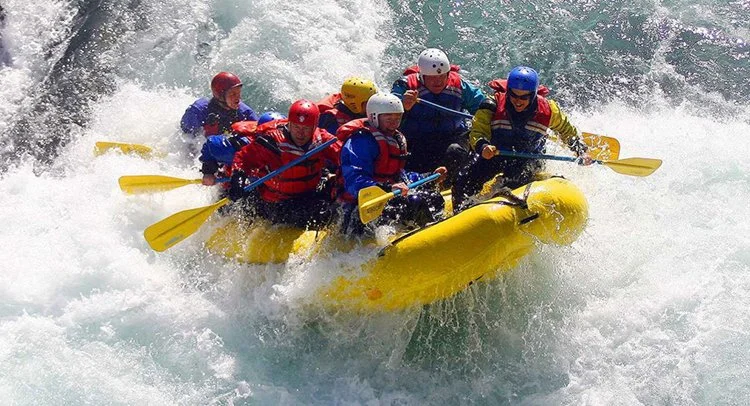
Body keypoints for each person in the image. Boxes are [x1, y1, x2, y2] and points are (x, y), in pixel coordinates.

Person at [451, 66, 593, 212]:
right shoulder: (491, 104)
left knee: (512, 182)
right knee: (462, 182)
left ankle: (529, 183)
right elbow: (478, 131)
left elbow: (566, 131)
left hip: (527, 159)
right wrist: (483, 146)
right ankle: (459, 216)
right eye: (514, 95)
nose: (518, 101)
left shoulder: (549, 110)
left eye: (524, 97)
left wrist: (581, 151)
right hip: (494, 155)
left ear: (533, 95)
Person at [338, 92, 447, 235]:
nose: (394, 121)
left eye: (397, 117)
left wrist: (428, 177)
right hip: (358, 208)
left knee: (435, 198)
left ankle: (429, 235)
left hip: (386, 197)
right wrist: (387, 188)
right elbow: (354, 180)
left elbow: (400, 176)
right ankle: (432, 239)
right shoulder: (360, 142)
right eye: (388, 117)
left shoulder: (395, 138)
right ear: (374, 117)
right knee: (415, 202)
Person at [228, 100, 341, 229]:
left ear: (314, 127)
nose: (300, 133)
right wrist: (238, 176)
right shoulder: (271, 143)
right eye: (296, 127)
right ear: (289, 124)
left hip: (310, 193)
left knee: (335, 202)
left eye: (306, 128)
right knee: (317, 215)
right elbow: (244, 159)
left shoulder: (322, 139)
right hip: (278, 202)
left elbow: (343, 155)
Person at [391, 48, 485, 182]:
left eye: (442, 76)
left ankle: (452, 183)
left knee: (455, 151)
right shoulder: (404, 87)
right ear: (422, 76)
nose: (438, 82)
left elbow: (483, 108)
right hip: (417, 142)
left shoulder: (459, 86)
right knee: (409, 162)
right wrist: (403, 107)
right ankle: (427, 182)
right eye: (432, 77)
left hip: (451, 138)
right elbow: (388, 117)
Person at [198, 111, 286, 186]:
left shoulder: (290, 146)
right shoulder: (238, 148)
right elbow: (211, 144)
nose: (278, 139)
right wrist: (208, 172)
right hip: (233, 184)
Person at [181, 71, 259, 137]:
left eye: (239, 93)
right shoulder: (198, 111)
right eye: (233, 94)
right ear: (220, 96)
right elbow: (185, 137)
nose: (238, 98)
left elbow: (261, 133)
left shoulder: (245, 113)